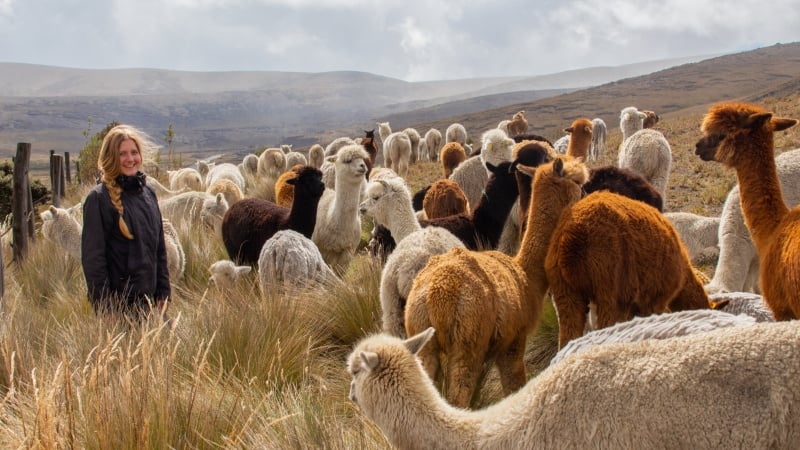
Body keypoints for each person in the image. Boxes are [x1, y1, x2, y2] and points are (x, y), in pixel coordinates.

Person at [81, 124, 171, 319]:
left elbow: (159, 249)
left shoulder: (148, 194)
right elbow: (94, 261)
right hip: (120, 310)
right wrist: (105, 309)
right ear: (110, 157)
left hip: (151, 305)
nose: (130, 159)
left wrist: (163, 290)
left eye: (134, 152)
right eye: (122, 154)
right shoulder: (98, 200)